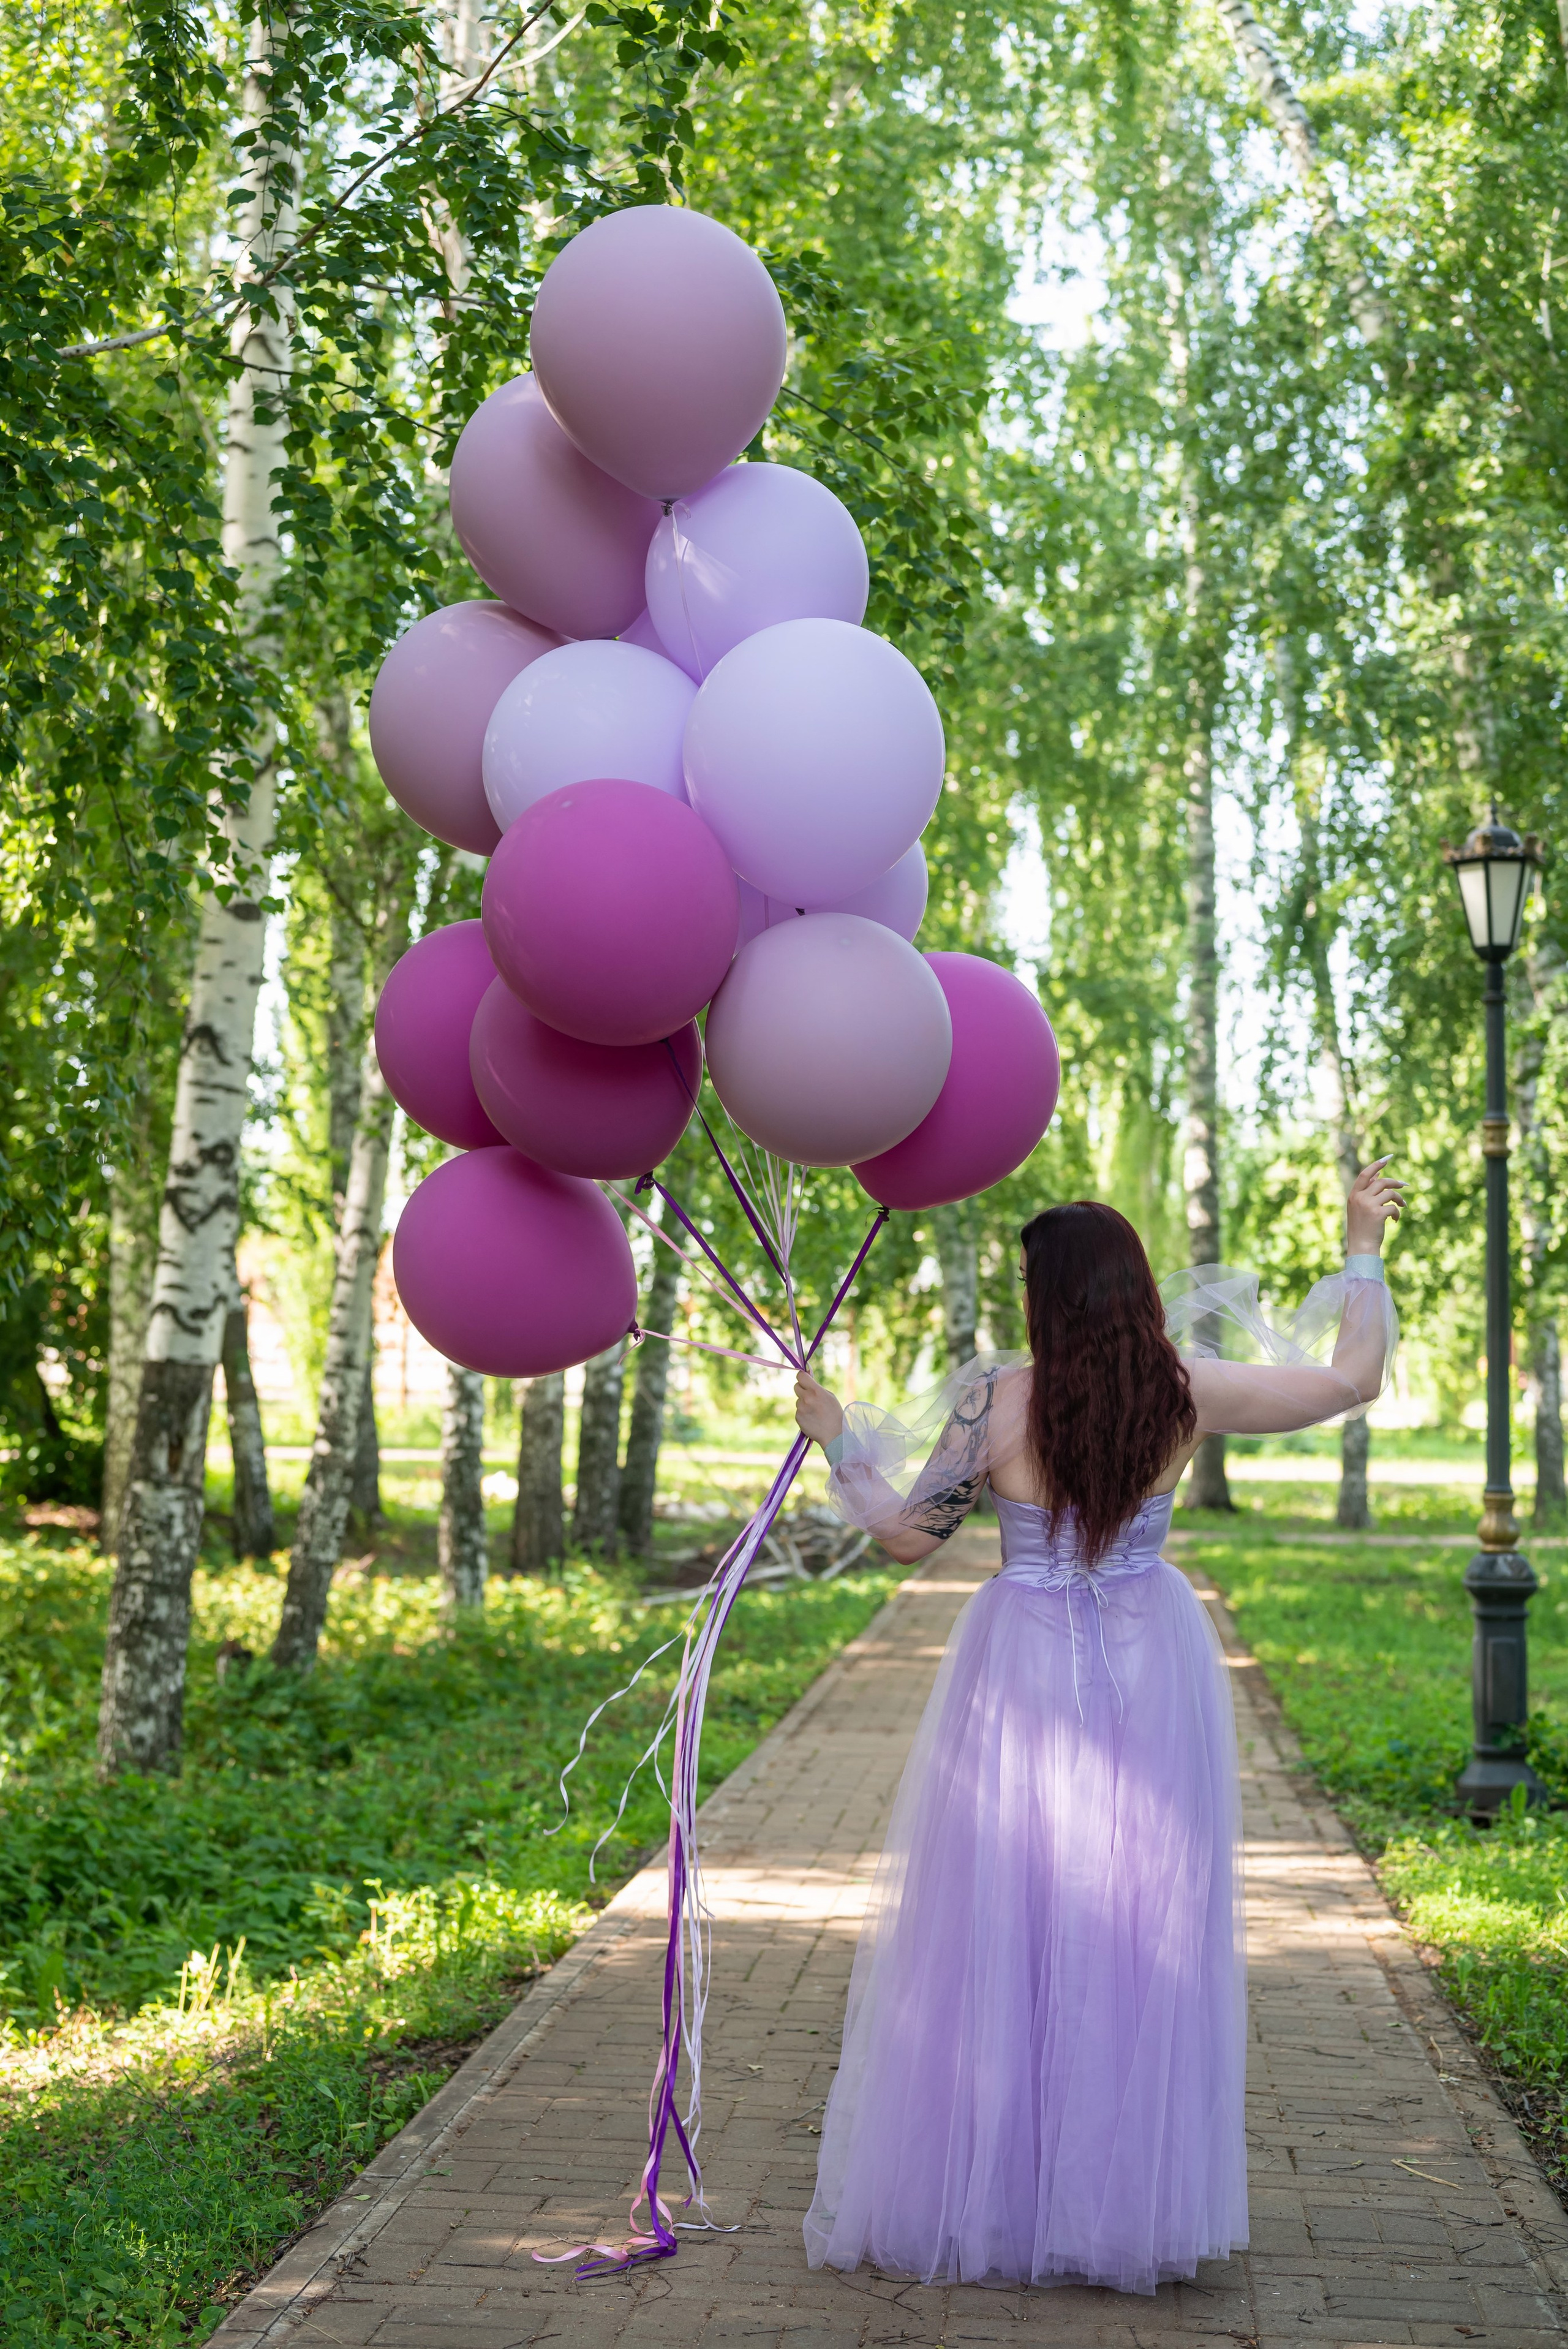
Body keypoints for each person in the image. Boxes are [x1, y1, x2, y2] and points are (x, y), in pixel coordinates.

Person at [791, 1162, 1404, 2296]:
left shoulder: (997, 1401)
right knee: (1136, 1923)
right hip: (1149, 1659)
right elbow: (1349, 1380)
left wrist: (839, 1439)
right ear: (1131, 1289)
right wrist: (1360, 1241)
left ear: (1045, 1295)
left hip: (1020, 1660)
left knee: (1004, 1918)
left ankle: (1001, 2188)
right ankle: (1116, 2198)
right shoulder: (1187, 1388)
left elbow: (905, 1535)